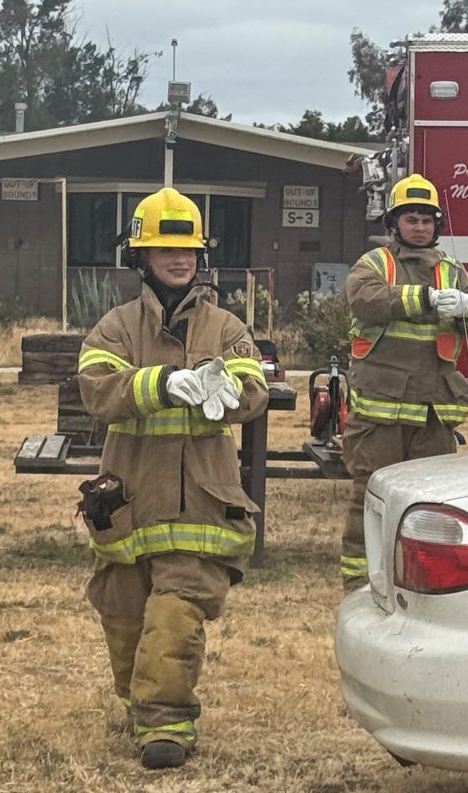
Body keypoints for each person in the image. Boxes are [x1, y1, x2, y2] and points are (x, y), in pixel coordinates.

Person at [76, 187, 268, 770]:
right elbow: (96, 389)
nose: (179, 259)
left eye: (188, 250)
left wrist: (225, 390)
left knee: (175, 613)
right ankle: (141, 706)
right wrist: (159, 385)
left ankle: (167, 725)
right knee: (125, 615)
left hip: (202, 504)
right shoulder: (114, 328)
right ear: (142, 257)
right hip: (130, 502)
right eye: (164, 249)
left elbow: (252, 387)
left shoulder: (226, 325)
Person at [340, 173, 468, 592]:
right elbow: (365, 299)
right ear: (395, 224)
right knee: (369, 496)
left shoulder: (453, 271)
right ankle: (359, 583)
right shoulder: (376, 264)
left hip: (433, 410)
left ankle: (418, 580)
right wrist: (424, 299)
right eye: (411, 218)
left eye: (427, 219)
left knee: (427, 504)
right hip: (381, 410)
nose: (420, 227)